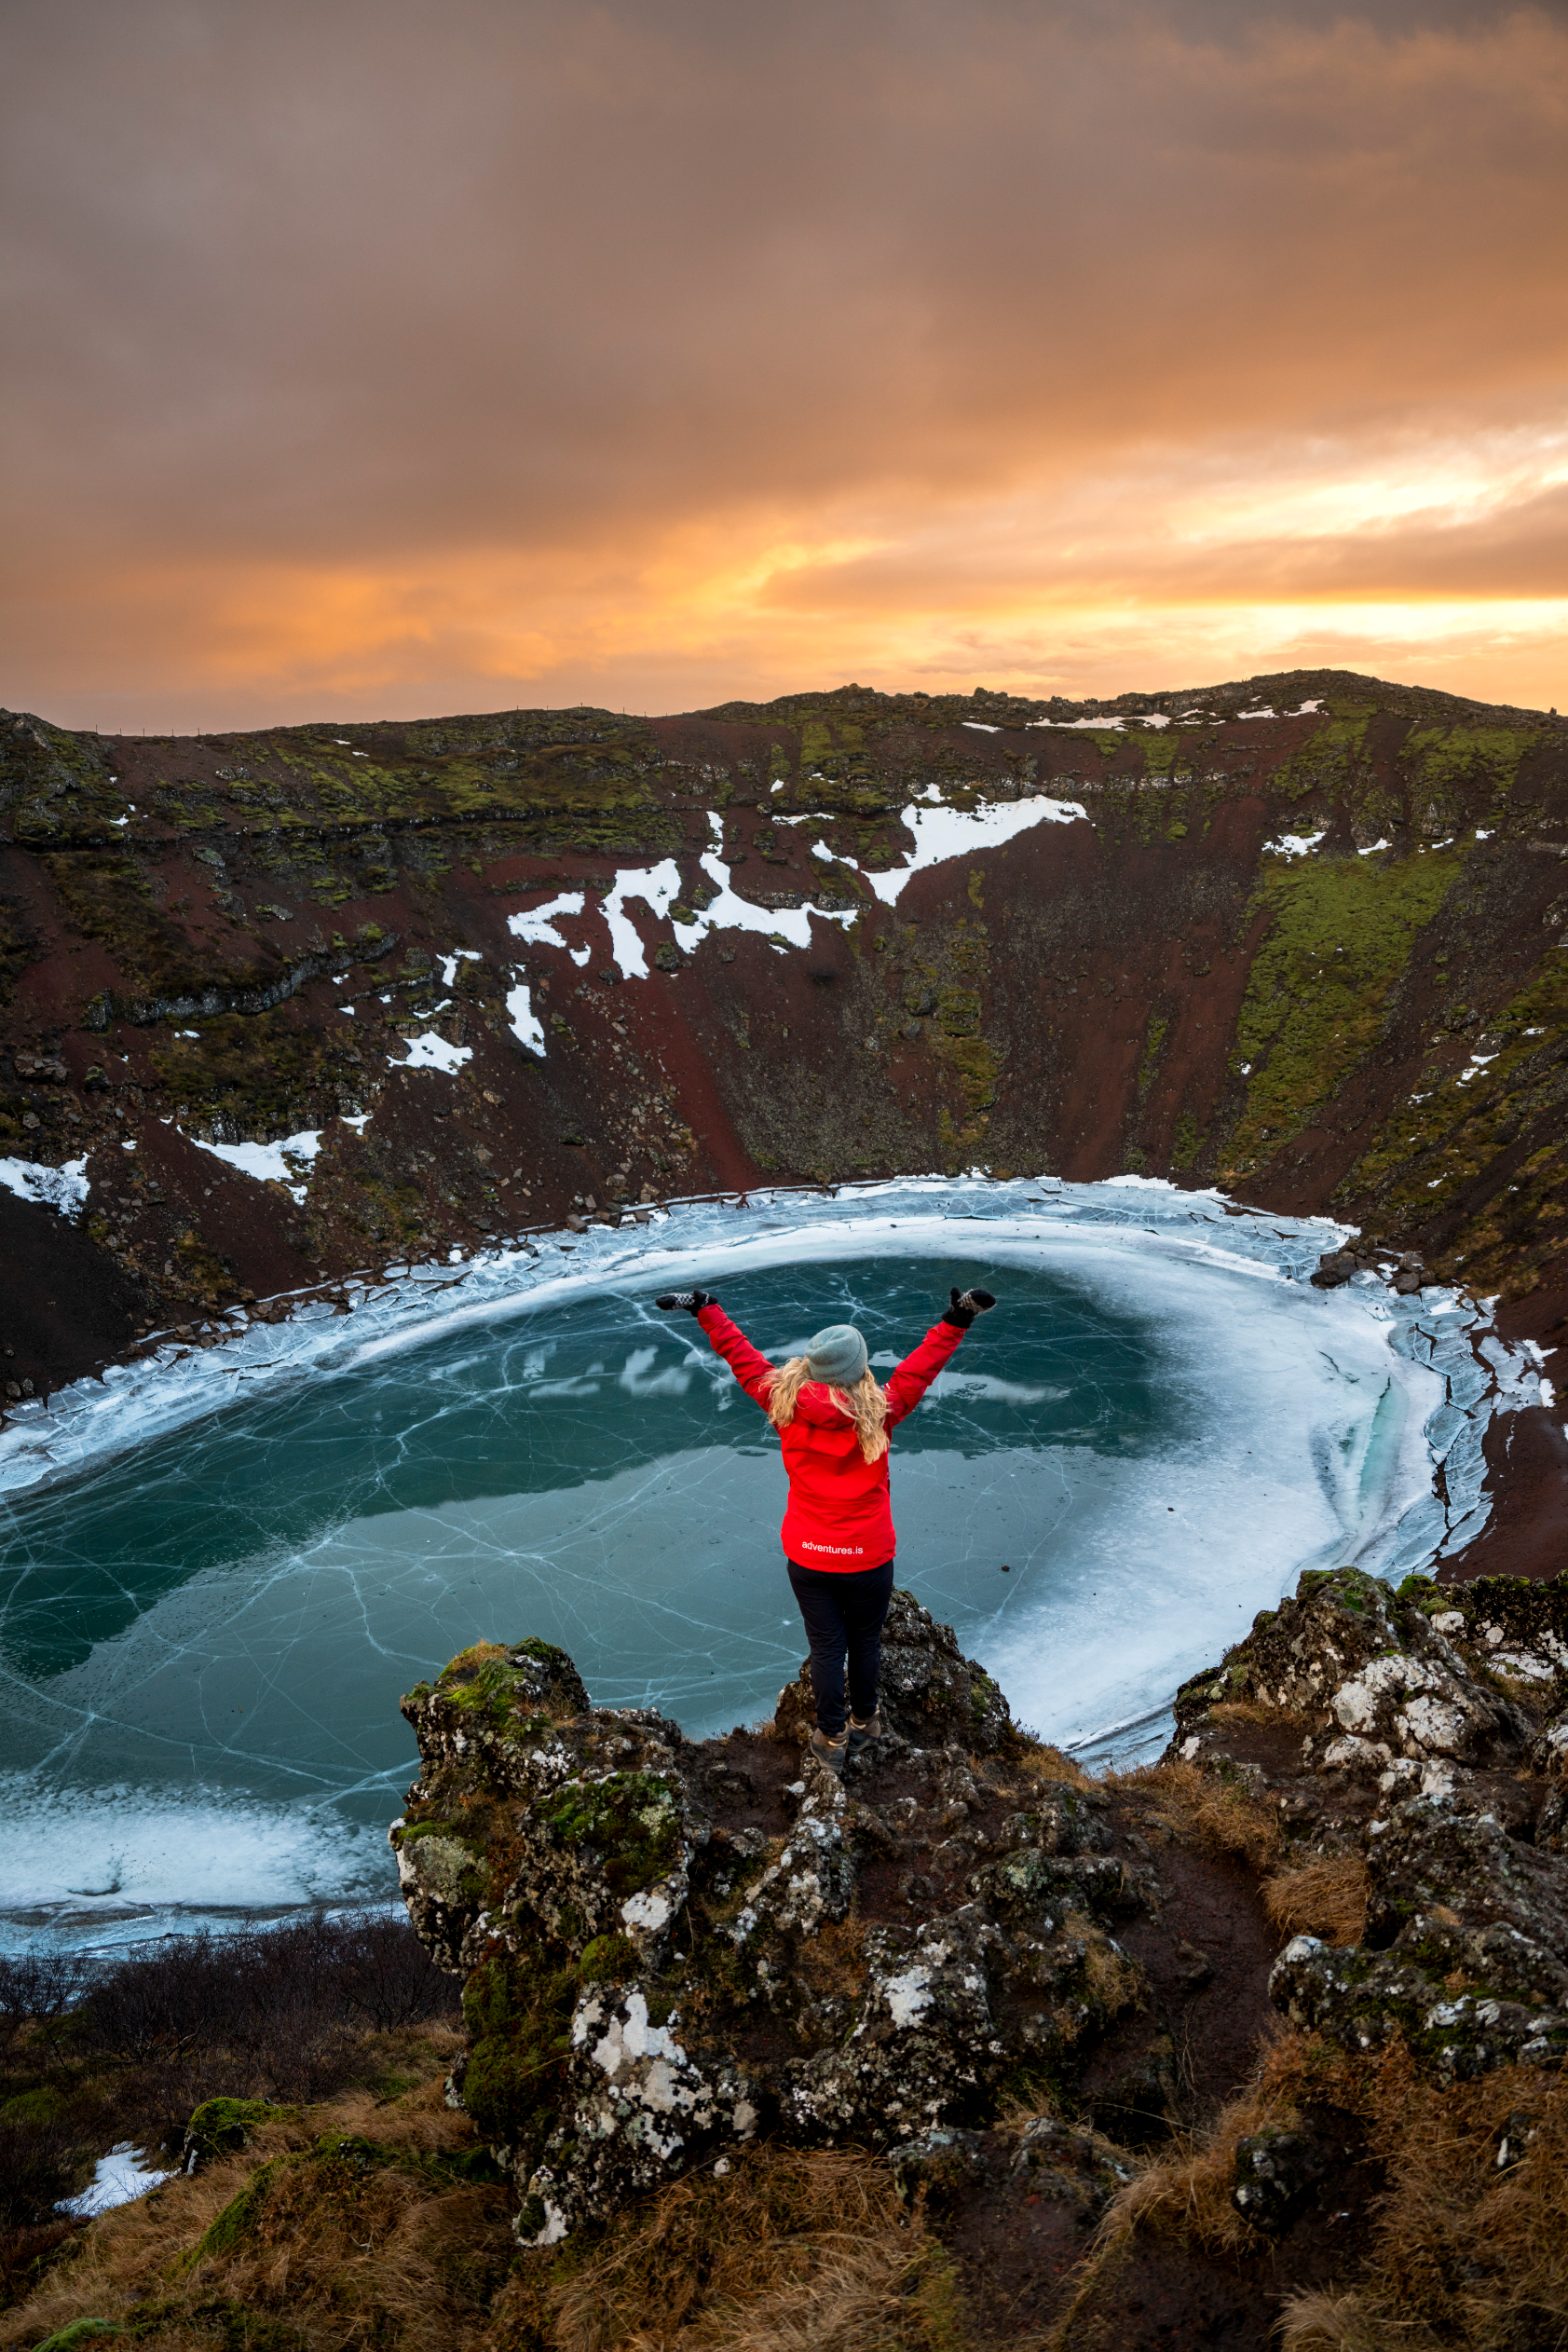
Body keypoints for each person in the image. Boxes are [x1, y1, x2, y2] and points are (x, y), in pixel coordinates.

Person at [655, 1282, 997, 1774]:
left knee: (826, 1648)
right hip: (868, 1556)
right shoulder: (880, 1409)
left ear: (812, 1365)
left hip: (810, 1556)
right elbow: (921, 1368)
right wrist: (957, 1319)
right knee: (864, 1643)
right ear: (859, 1371)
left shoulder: (782, 1403)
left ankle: (832, 1738)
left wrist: (706, 1309)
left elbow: (742, 1357)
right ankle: (866, 1721)